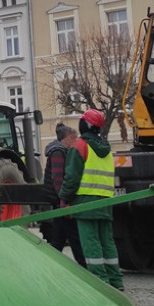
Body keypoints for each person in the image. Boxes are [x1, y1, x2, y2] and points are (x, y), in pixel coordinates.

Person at [60, 109, 123, 290]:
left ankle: (100, 283)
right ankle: (116, 280)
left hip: (86, 202)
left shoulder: (80, 146)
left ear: (85, 125)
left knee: (91, 243)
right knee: (107, 242)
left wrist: (64, 198)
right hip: (105, 202)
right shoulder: (107, 149)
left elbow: (72, 177)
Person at [41, 123, 85, 266]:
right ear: (67, 138)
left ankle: (52, 264)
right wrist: (64, 201)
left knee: (60, 237)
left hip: (59, 201)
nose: (76, 142)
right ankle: (83, 265)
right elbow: (57, 179)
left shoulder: (60, 151)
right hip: (61, 201)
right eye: (75, 138)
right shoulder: (58, 152)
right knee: (72, 236)